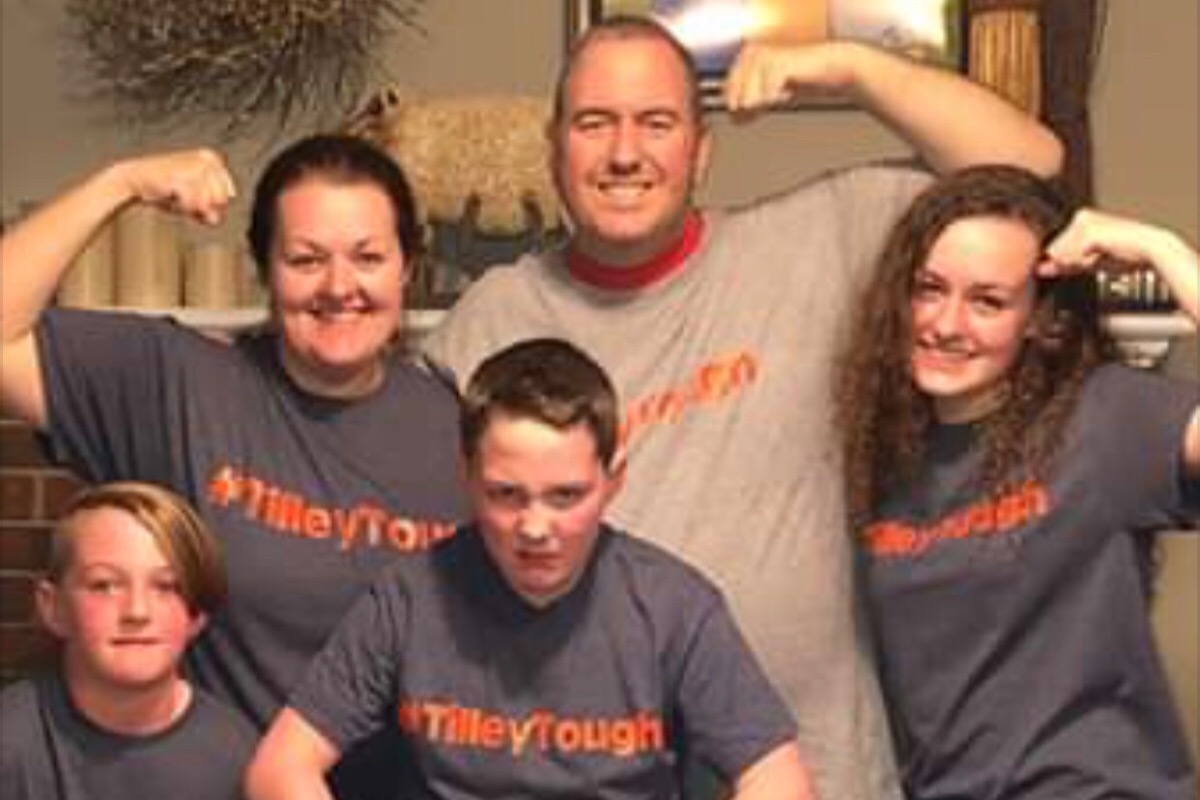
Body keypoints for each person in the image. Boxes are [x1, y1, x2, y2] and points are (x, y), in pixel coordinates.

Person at [422, 14, 1063, 800]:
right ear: (554, 147)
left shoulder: (815, 241)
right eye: (594, 123)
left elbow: (1029, 166)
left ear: (702, 150)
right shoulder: (488, 322)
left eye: (657, 122)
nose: (625, 153)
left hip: (824, 773)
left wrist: (848, 67)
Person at [0, 134, 467, 798]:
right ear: (264, 271)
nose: (339, 287)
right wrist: (121, 181)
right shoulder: (181, 385)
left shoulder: (459, 428)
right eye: (305, 259)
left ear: (406, 268)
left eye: (368, 257)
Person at [245, 337, 815, 800]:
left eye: (566, 496)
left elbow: (780, 780)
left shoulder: (674, 606)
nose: (536, 528)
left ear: (613, 480)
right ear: (467, 476)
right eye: (506, 495)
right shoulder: (408, 598)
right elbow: (279, 769)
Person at [837, 164, 1200, 799]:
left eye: (988, 302)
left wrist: (1159, 249)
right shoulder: (884, 451)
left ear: (1041, 320)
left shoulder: (1103, 417)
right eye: (929, 289)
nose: (947, 324)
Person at [0, 481, 258, 800]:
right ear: (54, 607)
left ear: (196, 614)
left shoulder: (238, 758)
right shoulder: (10, 741)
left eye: (166, 586)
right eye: (104, 585)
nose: (137, 611)